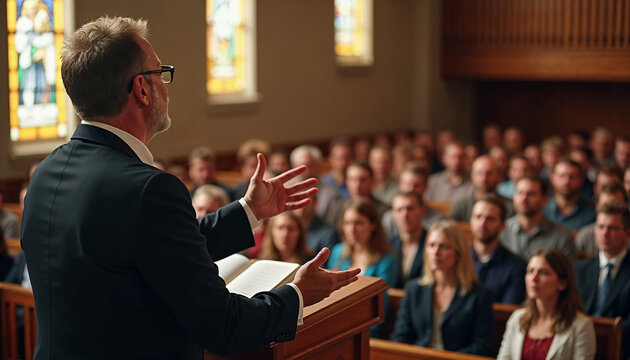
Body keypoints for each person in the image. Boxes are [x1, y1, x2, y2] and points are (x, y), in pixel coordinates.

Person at [21, 17, 360, 359]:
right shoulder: (148, 188)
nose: (166, 86)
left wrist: (249, 210)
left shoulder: (46, 173)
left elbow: (150, 248)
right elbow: (223, 326)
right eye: (160, 73)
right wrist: (297, 294)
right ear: (141, 89)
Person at [391, 220, 494, 356]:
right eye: (431, 245)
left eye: (444, 246)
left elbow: (481, 347)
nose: (435, 252)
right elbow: (400, 337)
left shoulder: (480, 295)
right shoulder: (414, 289)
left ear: (459, 252)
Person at [497, 249, 596, 360]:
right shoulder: (517, 318)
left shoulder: (581, 326)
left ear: (562, 283)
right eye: (530, 271)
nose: (533, 278)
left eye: (543, 272)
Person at [326, 197, 397, 337]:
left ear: (373, 225)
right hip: (334, 324)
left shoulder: (387, 259)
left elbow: (380, 305)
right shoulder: (337, 251)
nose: (351, 229)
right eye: (347, 223)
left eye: (358, 223)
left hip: (366, 329)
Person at [574, 202, 630, 359]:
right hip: (579, 344)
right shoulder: (578, 269)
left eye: (612, 228)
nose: (604, 233)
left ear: (627, 234)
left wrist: (605, 334)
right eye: (600, 227)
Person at [500, 175, 576, 261]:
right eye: (520, 193)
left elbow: (567, 273)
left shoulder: (562, 236)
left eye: (531, 194)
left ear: (545, 200)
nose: (524, 199)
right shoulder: (501, 230)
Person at [470, 195, 526, 304]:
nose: (482, 224)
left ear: (502, 225)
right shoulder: (457, 258)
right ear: (471, 221)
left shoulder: (517, 267)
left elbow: (506, 311)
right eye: (478, 217)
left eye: (490, 219)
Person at [381, 162, 445, 239]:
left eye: (416, 185)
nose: (411, 189)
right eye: (407, 184)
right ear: (400, 185)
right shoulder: (389, 219)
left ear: (426, 187)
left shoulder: (437, 220)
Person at [450, 155, 514, 222]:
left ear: (498, 175)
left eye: (489, 173)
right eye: (479, 173)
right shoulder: (460, 207)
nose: (484, 178)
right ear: (472, 176)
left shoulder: (510, 207)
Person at [576, 181, 629, 255]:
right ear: (597, 205)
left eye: (616, 204)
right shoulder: (585, 235)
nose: (610, 209)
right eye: (605, 205)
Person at [544, 159, 596, 230]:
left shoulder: (593, 211)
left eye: (572, 177)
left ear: (581, 180)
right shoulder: (541, 209)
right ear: (552, 178)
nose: (566, 182)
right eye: (562, 176)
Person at [389, 192, 427, 288]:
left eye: (410, 209)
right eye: (399, 210)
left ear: (422, 211)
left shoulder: (433, 244)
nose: (405, 214)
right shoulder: (387, 245)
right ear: (393, 214)